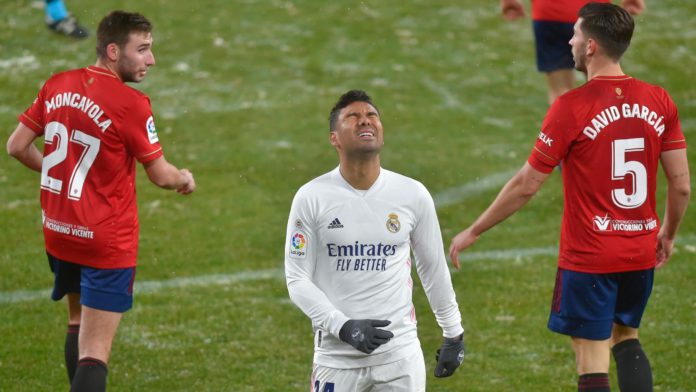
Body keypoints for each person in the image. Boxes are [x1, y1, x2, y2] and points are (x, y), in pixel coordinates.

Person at [450, 3, 689, 391]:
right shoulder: (659, 101)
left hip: (590, 257)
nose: (570, 40)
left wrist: (475, 230)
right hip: (640, 250)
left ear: (591, 46)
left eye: (576, 34)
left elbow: (528, 182)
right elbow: (681, 186)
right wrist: (668, 234)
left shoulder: (570, 107)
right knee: (627, 337)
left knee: (590, 357)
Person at [6, 10, 195, 392]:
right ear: (113, 51)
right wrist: (184, 179)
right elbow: (160, 174)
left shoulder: (57, 84)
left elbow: (16, 146)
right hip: (106, 242)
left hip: (59, 233)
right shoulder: (131, 103)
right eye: (141, 49)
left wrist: (56, 174)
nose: (151, 59)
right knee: (95, 352)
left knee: (77, 323)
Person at [285, 90, 465, 391]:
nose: (364, 121)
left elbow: (433, 269)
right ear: (334, 138)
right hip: (336, 358)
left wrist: (453, 332)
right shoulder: (311, 198)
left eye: (371, 115)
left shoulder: (412, 195)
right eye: (352, 117)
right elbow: (296, 279)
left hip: (399, 358)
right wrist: (343, 327)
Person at [500, 0, 645, 105]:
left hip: (549, 13)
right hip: (595, 14)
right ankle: (608, 140)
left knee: (560, 92)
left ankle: (568, 143)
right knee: (605, 86)